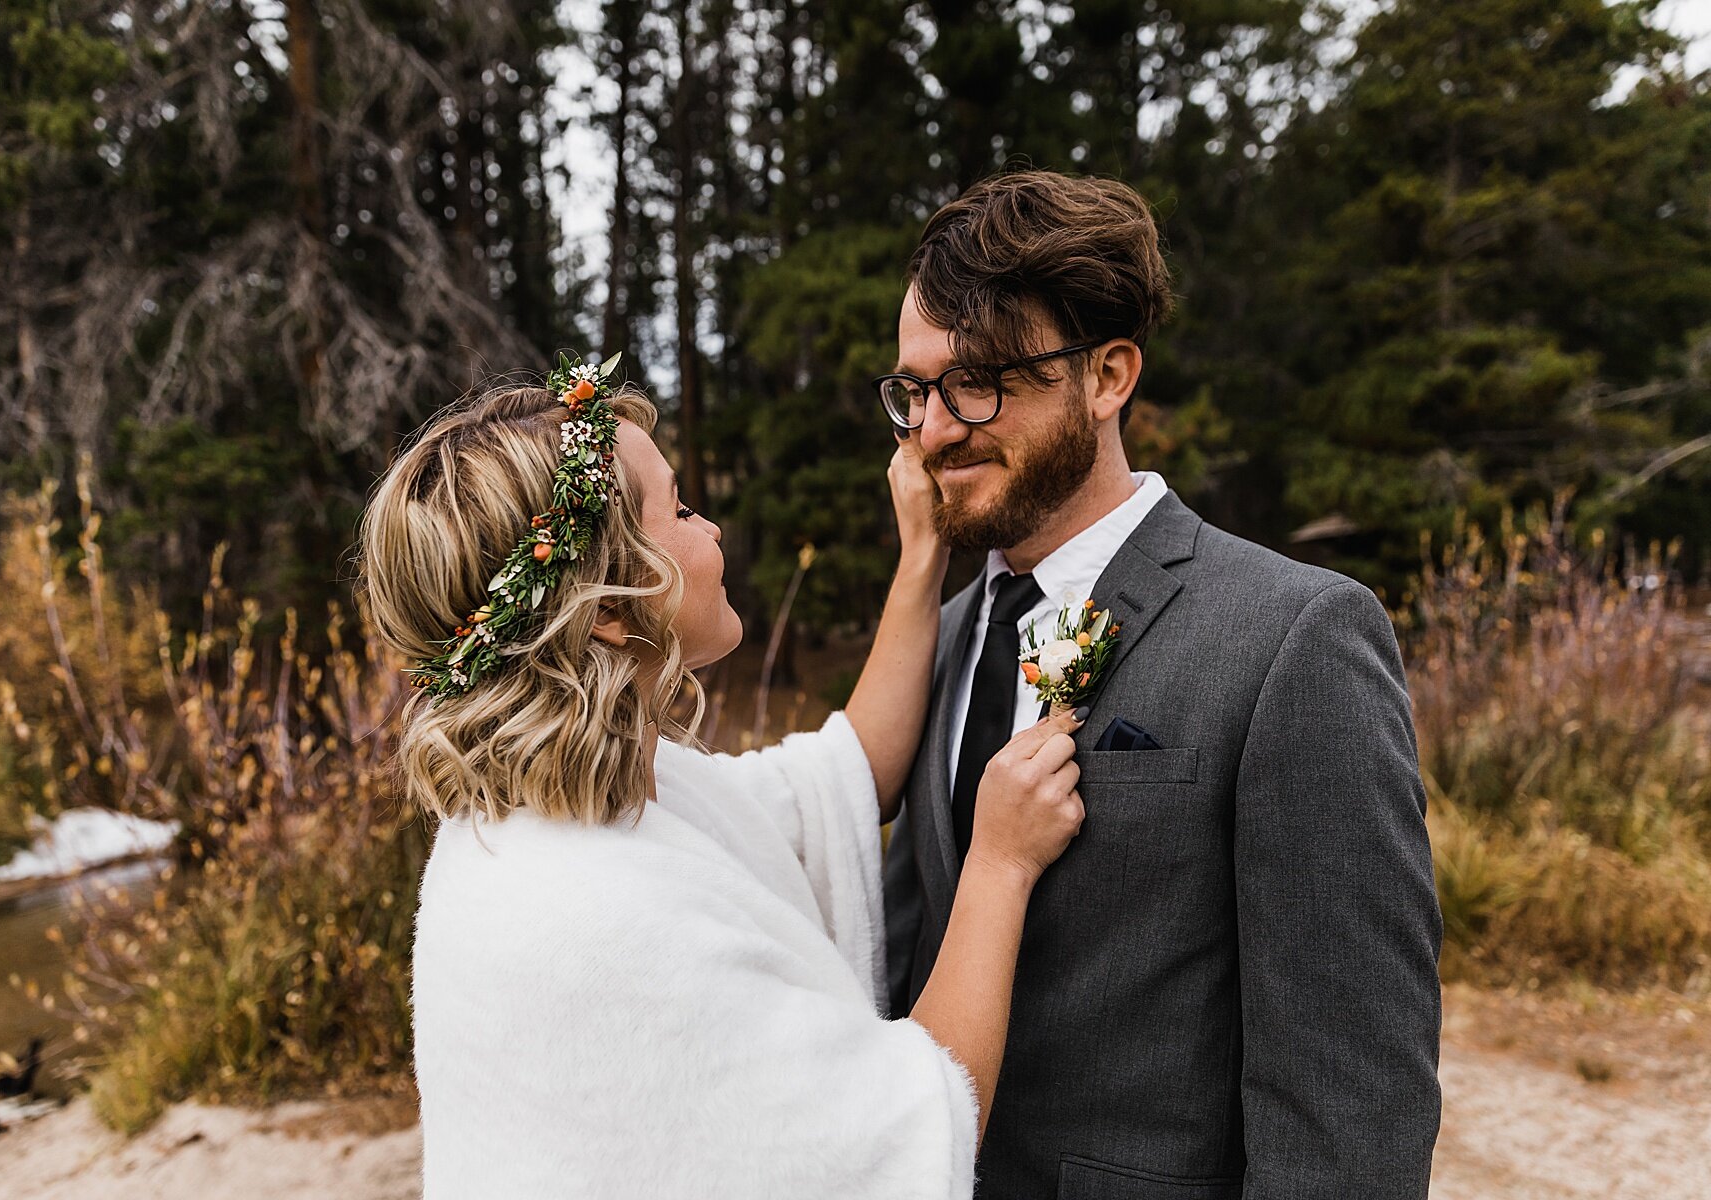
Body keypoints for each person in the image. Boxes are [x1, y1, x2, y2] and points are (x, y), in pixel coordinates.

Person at [356, 362, 1085, 1199]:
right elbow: (890, 1140)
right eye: (681, 510)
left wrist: (922, 557)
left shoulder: (594, 800)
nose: (713, 530)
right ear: (611, 606)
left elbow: (844, 776)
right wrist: (1000, 864)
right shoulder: (596, 918)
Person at [879, 171, 1444, 1199]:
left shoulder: (1295, 638)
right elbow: (902, 966)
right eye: (915, 391)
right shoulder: (947, 635)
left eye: (978, 383)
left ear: (1107, 377)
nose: (935, 430)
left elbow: (1349, 1104)